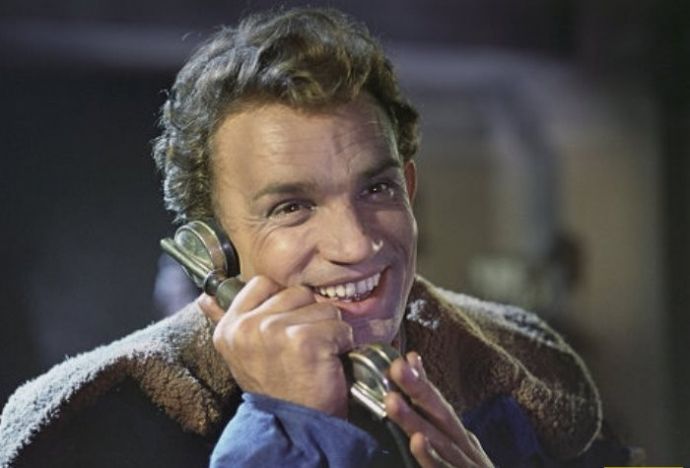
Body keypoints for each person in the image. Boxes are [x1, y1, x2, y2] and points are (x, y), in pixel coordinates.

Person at [0, 7, 634, 467]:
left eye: (376, 189)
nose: (356, 245)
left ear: (409, 187)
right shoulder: (96, 424)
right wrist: (290, 432)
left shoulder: (529, 371)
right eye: (292, 207)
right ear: (213, 247)